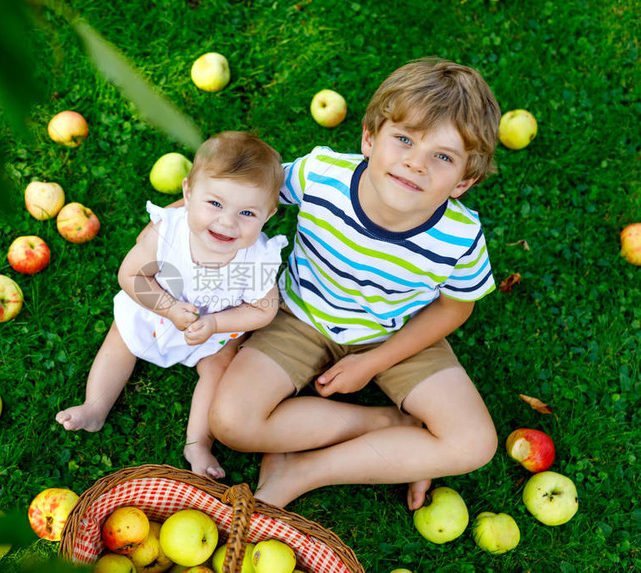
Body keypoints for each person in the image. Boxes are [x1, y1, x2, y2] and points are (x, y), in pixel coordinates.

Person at [207, 58, 502, 509]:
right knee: (232, 422)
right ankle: (386, 425)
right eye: (403, 139)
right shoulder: (320, 176)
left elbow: (454, 307)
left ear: (465, 180)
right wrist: (178, 221)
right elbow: (248, 193)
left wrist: (374, 362)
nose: (414, 164)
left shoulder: (460, 237)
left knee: (474, 443)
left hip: (397, 330)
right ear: (368, 137)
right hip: (299, 315)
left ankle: (305, 470)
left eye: (441, 157)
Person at [56, 131, 288, 479]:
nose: (227, 222)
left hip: (212, 329)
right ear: (188, 193)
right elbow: (131, 274)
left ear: (267, 216)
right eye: (215, 204)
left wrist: (215, 325)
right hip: (157, 308)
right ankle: (95, 405)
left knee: (220, 367)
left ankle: (197, 443)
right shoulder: (168, 230)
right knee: (122, 334)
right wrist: (167, 307)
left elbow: (264, 309)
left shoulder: (257, 259)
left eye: (246, 213)